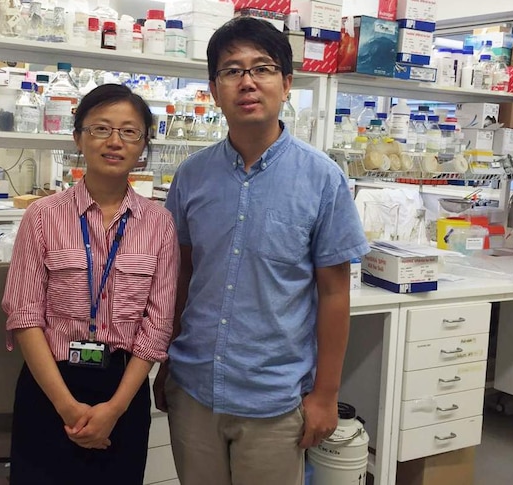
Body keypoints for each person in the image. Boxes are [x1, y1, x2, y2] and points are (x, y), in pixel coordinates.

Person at [156, 17, 370, 485]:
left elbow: (334, 293)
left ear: (287, 83)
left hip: (275, 397)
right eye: (232, 70)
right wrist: (166, 361)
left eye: (263, 68)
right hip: (194, 388)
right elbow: (181, 276)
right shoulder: (192, 176)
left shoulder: (322, 178)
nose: (247, 81)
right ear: (214, 90)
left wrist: (326, 395)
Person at [3, 83, 179, 484]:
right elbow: (24, 315)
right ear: (78, 137)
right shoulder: (43, 217)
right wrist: (68, 408)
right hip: (50, 386)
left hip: (122, 389)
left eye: (129, 131)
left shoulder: (159, 225)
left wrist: (113, 410)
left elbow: (157, 327)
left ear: (143, 145)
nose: (114, 141)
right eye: (101, 129)